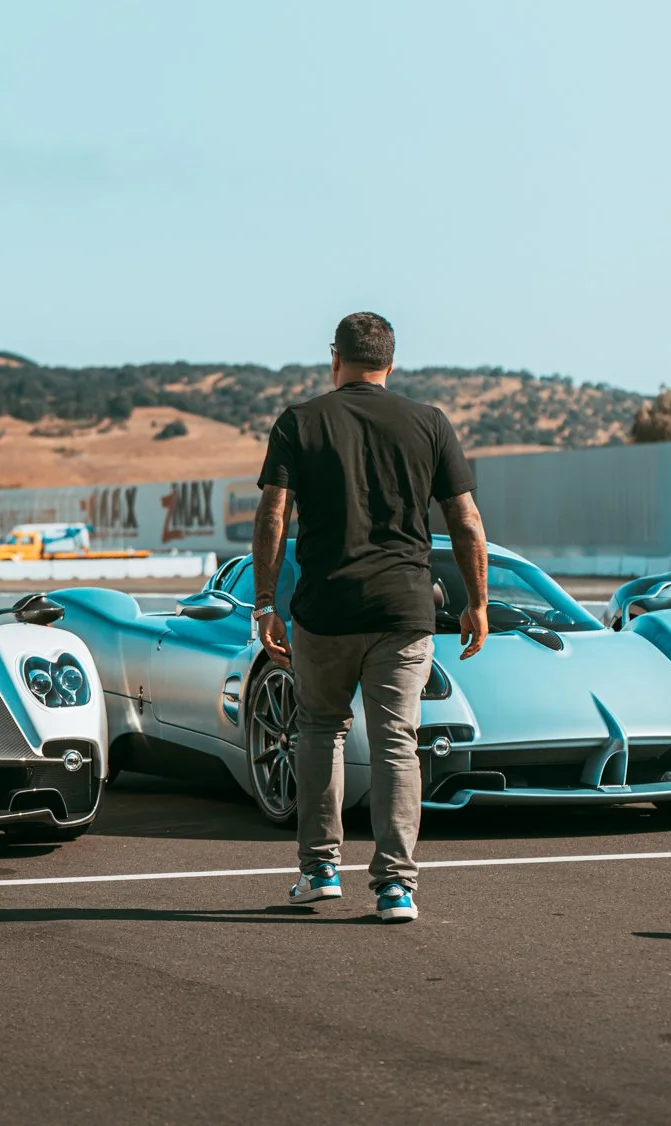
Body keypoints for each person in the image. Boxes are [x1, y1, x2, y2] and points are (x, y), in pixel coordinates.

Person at [251, 311, 489, 923]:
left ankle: (320, 870)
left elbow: (273, 517)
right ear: (391, 362)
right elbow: (466, 522)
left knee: (319, 730)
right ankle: (395, 889)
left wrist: (265, 602)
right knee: (396, 744)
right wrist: (478, 604)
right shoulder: (429, 423)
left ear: (336, 357)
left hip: (325, 610)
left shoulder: (299, 422)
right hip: (405, 609)